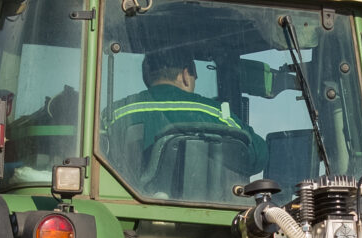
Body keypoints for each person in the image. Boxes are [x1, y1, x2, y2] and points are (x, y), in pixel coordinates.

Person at [105, 45, 267, 182]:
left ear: (146, 77)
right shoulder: (216, 113)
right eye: (195, 76)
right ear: (185, 75)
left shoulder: (115, 114)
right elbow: (259, 156)